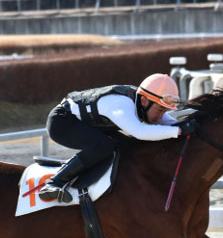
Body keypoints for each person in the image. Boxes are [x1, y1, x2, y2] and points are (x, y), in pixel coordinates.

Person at [38, 73, 199, 203]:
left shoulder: (143, 101)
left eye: (165, 111)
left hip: (87, 124)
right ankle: (54, 183)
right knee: (105, 145)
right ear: (144, 101)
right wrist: (179, 131)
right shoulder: (120, 104)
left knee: (128, 146)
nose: (161, 116)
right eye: (160, 110)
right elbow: (140, 132)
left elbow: (169, 124)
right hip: (62, 123)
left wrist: (188, 127)